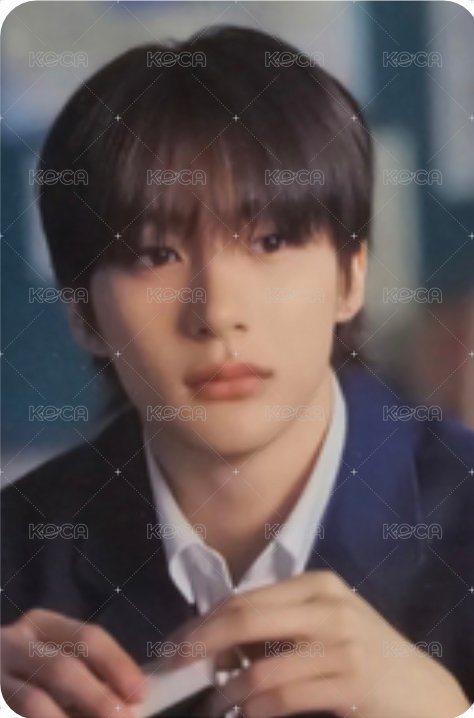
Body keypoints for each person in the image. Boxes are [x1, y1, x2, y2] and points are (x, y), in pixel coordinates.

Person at [1, 24, 473, 718]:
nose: (218, 313)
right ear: (83, 314)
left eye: (270, 241)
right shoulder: (17, 564)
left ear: (351, 276)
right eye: (155, 255)